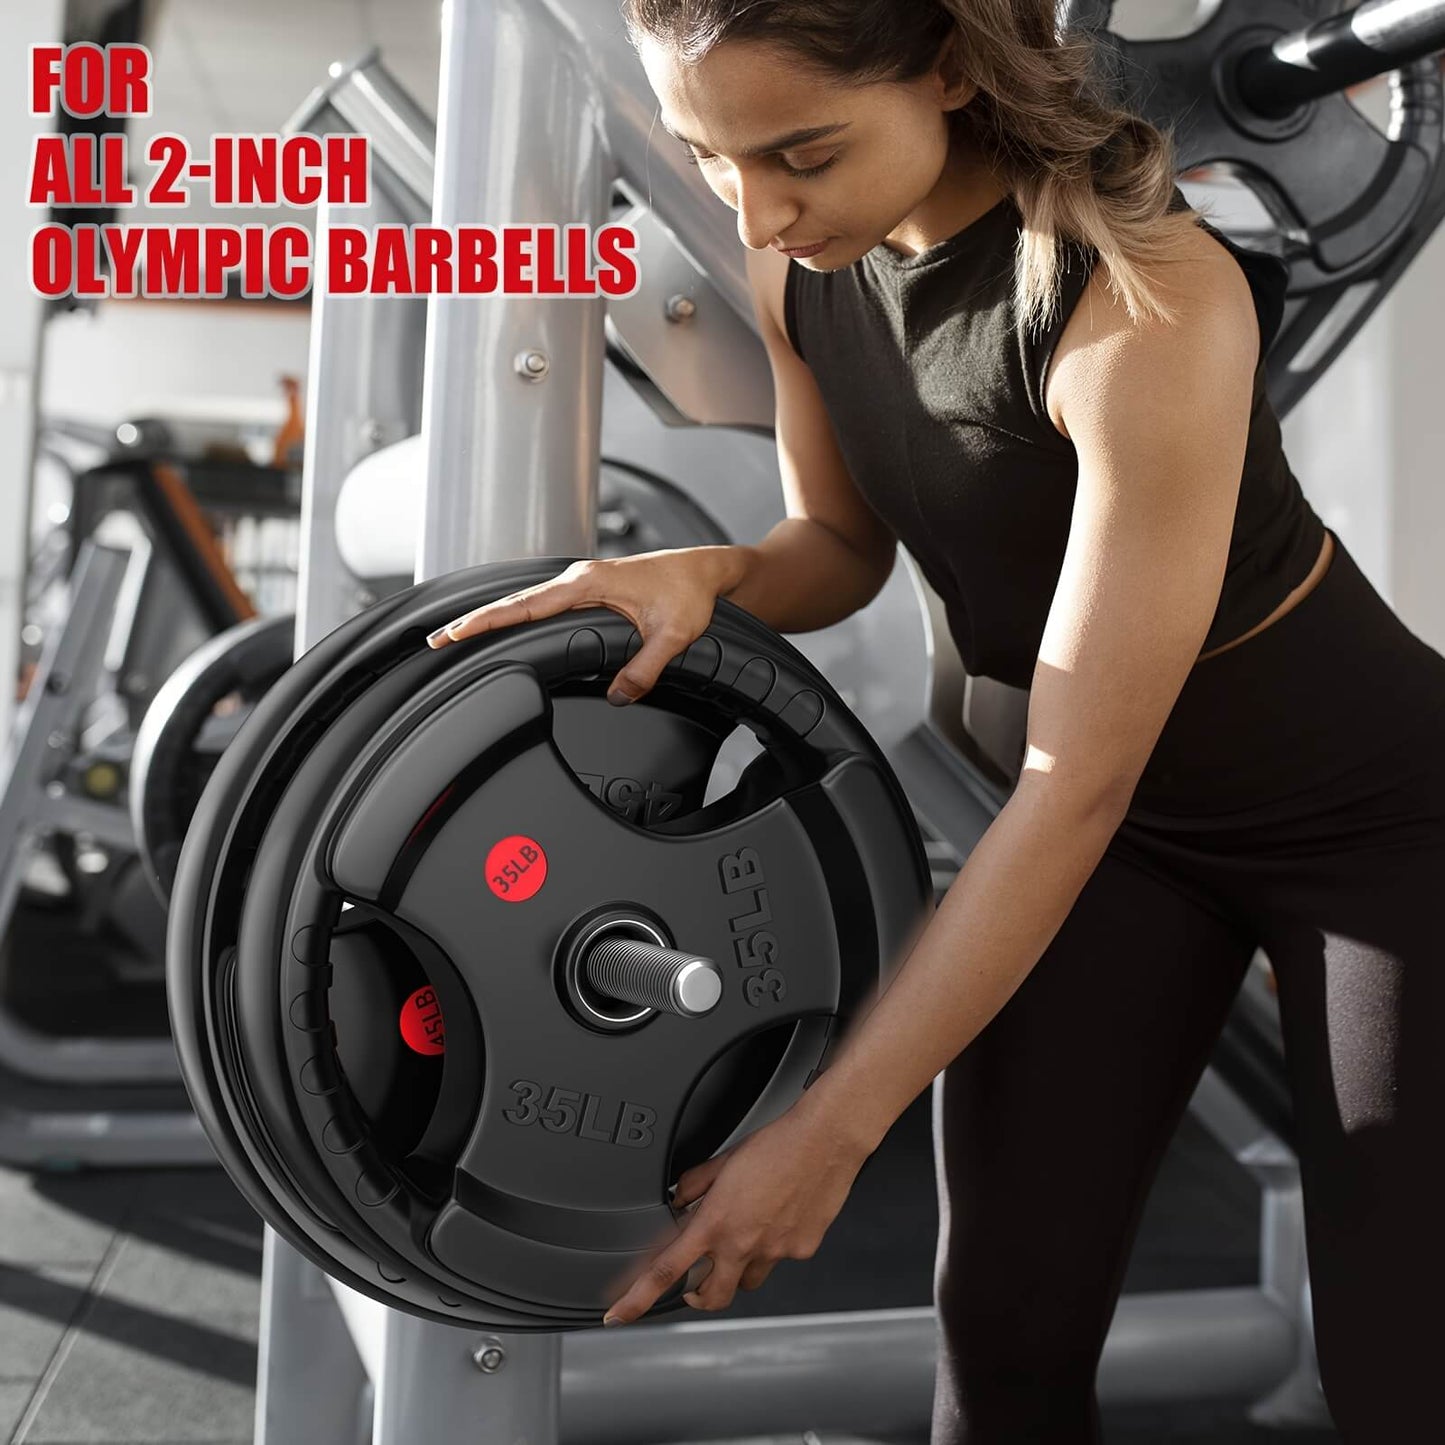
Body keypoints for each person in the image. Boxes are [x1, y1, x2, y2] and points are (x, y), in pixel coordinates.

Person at [426, 3, 1445, 1439]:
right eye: (717, 163)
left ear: (950, 70)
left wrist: (829, 1134)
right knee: (1005, 1328)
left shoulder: (1141, 299)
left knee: (1403, 1366)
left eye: (802, 154)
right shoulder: (804, 279)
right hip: (1134, 836)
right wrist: (707, 573)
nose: (762, 212)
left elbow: (1065, 779)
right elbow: (836, 547)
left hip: (1376, 830)